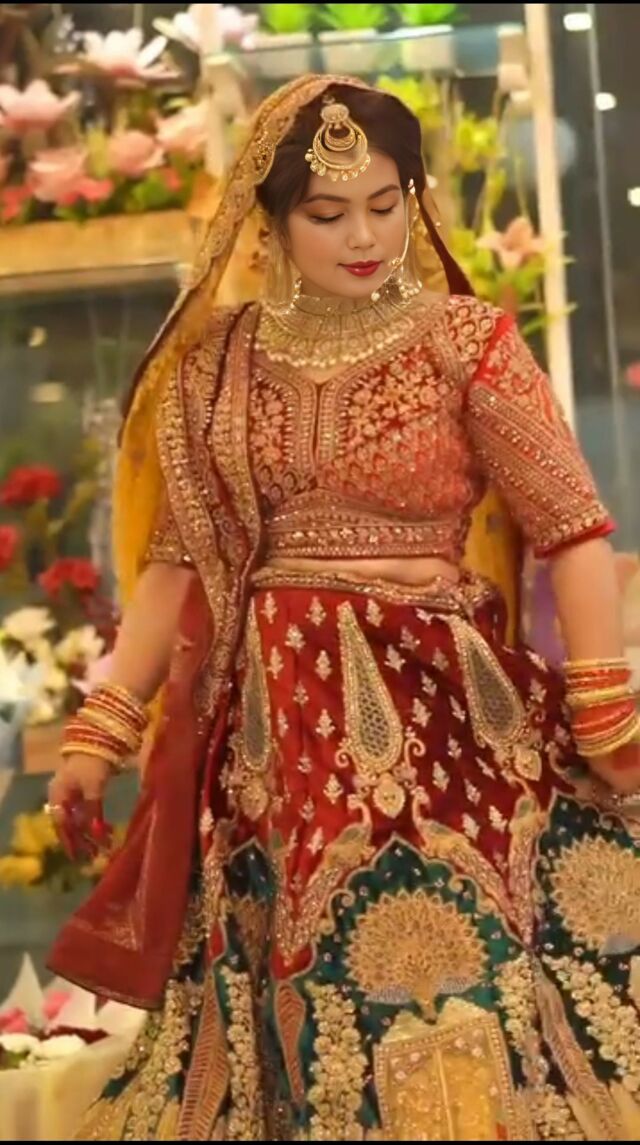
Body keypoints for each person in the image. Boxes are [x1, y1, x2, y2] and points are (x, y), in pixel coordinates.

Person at [45, 75, 640, 1141]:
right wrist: (102, 728)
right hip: (274, 738)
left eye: (384, 203)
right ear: (268, 222)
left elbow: (573, 528)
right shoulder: (216, 367)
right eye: (327, 213)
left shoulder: (465, 341)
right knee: (298, 993)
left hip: (445, 716)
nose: (364, 236)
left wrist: (603, 705)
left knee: (468, 977)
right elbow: (176, 564)